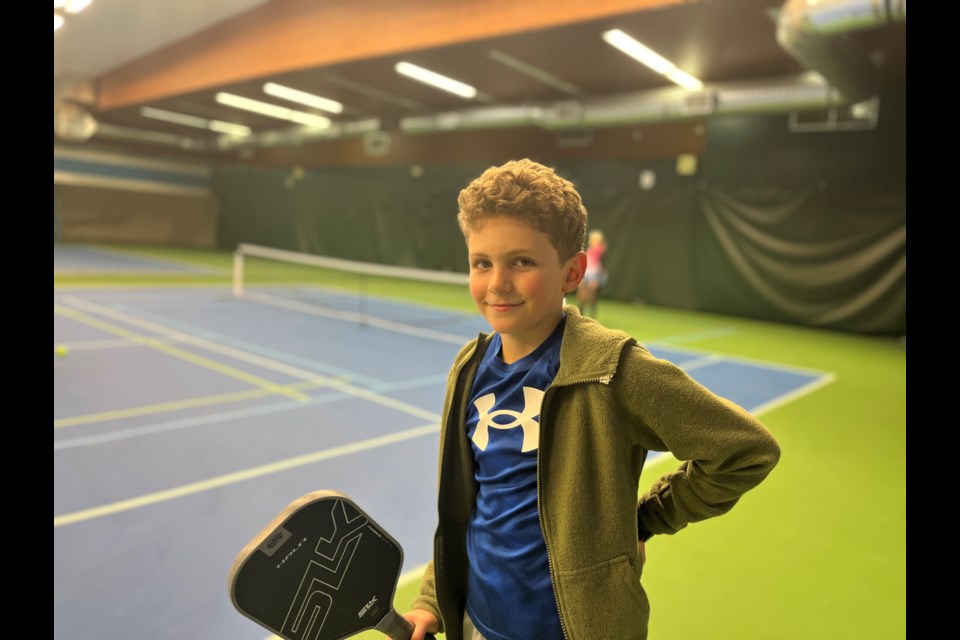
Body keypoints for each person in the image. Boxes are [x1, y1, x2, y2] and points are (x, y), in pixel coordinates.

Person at [399, 158, 781, 640]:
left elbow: (746, 450)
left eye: (522, 262)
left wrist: (643, 520)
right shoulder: (469, 367)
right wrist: (433, 600)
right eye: (482, 263)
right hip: (478, 625)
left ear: (572, 271)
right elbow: (465, 509)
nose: (497, 283)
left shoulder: (614, 369)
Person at [576, 228, 607, 318]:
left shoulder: (602, 251)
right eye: (592, 239)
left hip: (595, 276)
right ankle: (580, 315)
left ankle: (592, 316)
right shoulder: (589, 249)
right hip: (586, 274)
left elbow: (603, 266)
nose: (593, 241)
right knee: (582, 294)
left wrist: (597, 280)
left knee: (592, 296)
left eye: (596, 239)